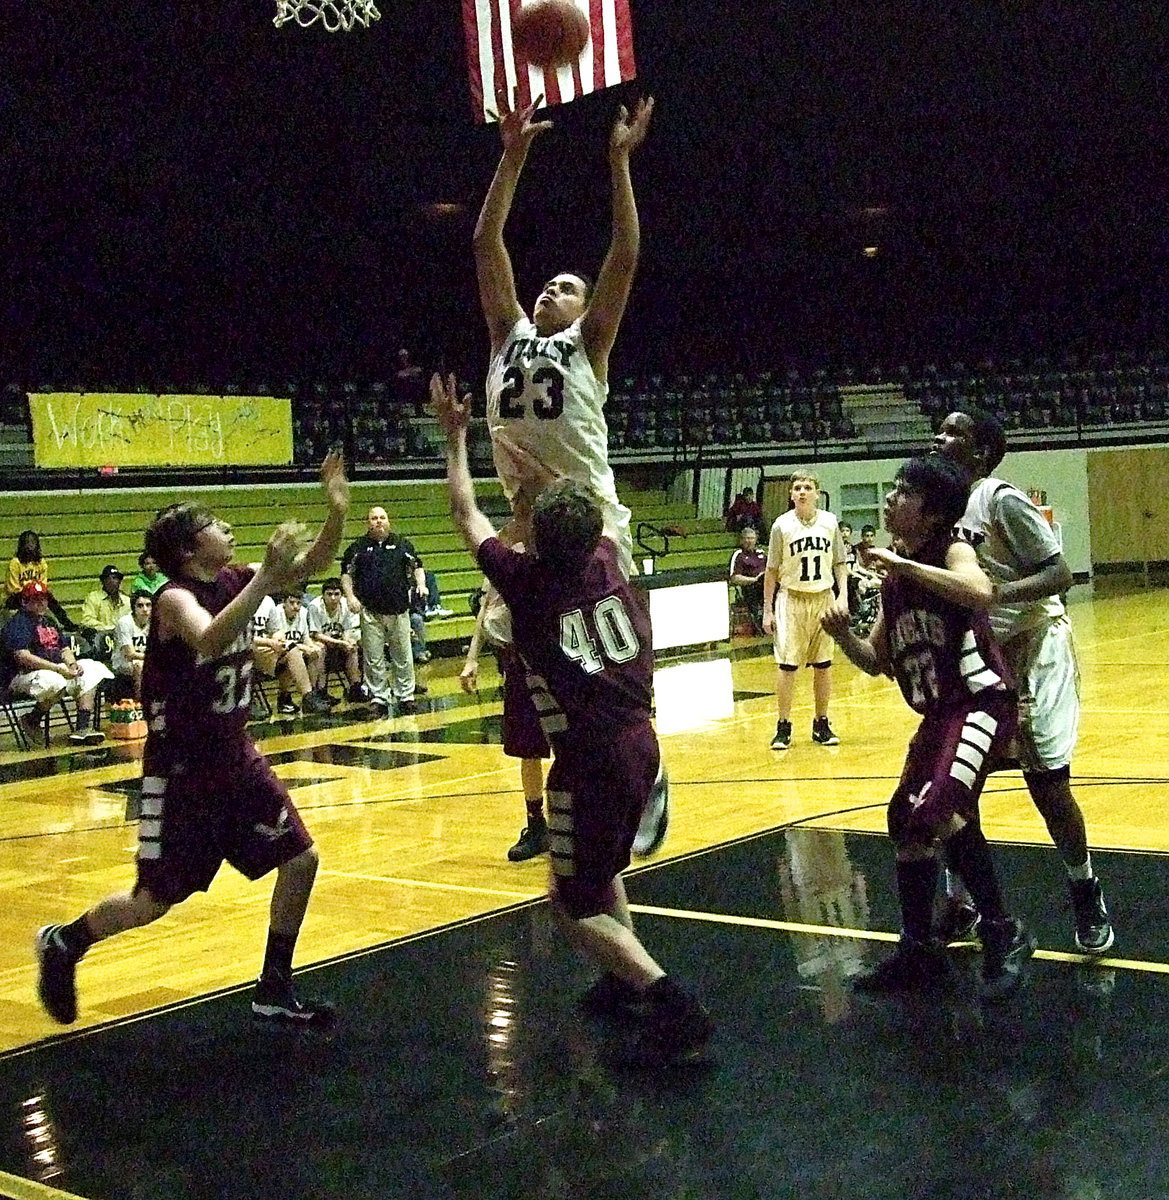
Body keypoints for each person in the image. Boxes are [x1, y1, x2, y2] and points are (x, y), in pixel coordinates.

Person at [434, 379, 712, 1065]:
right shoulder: (609, 560)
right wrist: (549, 478)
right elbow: (574, 508)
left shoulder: (526, 585)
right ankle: (623, 983)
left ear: (529, 534)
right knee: (603, 869)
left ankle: (668, 999)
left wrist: (454, 437)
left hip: (587, 758)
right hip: (643, 740)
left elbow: (465, 511)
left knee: (569, 899)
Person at [34, 452, 350, 1029]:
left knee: (301, 859)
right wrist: (263, 578)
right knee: (152, 902)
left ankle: (274, 986)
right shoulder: (173, 599)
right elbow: (209, 640)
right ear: (187, 550)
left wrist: (337, 510)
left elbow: (308, 566)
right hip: (181, 774)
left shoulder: (234, 579)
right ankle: (65, 942)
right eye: (213, 525)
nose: (227, 529)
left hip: (236, 758)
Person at [821, 455, 1036, 999]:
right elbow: (875, 660)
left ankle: (1004, 931)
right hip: (942, 714)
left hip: (981, 702)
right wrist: (844, 635)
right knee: (907, 821)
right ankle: (917, 949)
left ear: (934, 512)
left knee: (940, 809)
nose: (891, 499)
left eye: (902, 492)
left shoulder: (952, 550)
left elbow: (980, 592)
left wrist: (904, 565)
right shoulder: (896, 583)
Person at [932, 408, 1114, 954]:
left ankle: (1085, 889)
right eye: (938, 429)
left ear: (982, 451)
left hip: (1037, 646)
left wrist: (992, 597)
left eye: (952, 432)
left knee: (1046, 782)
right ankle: (961, 900)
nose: (939, 437)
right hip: (984, 653)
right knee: (959, 781)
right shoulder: (941, 506)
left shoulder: (1000, 498)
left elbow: (1059, 574)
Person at [474, 93, 655, 577]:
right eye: (549, 284)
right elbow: (486, 242)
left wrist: (619, 161)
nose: (552, 289)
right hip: (530, 521)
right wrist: (512, 158)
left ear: (585, 306)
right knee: (513, 646)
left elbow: (624, 251)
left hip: (589, 518)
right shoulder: (506, 334)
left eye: (568, 288)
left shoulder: (588, 340)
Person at [461, 489, 551, 863]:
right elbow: (487, 606)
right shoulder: (502, 545)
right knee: (526, 748)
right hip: (516, 657)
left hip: (553, 655)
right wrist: (471, 658)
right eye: (516, 503)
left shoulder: (552, 546)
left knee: (571, 744)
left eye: (526, 504)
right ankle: (537, 824)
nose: (519, 509)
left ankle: (584, 819)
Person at [762, 471, 849, 750]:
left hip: (823, 597)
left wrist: (843, 595)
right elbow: (771, 570)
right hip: (791, 599)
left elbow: (839, 563)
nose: (802, 492)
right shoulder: (781, 526)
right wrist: (767, 609)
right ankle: (783, 726)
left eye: (807, 487)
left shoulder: (830, 522)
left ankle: (821, 723)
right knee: (787, 665)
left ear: (817, 492)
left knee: (823, 665)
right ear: (791, 494)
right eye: (797, 487)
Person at [2, 580, 112, 746]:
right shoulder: (17, 623)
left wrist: (72, 664)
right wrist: (59, 670)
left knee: (92, 668)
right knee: (55, 680)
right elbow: (23, 657)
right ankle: (32, 719)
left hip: (54, 669)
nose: (41, 603)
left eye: (44, 599)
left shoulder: (49, 621)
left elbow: (63, 648)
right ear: (25, 601)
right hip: (22, 675)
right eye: (35, 599)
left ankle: (82, 728)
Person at [341, 506, 426, 717]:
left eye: (382, 517)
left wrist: (421, 584)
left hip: (398, 610)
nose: (378, 521)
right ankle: (379, 697)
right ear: (367, 523)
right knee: (373, 657)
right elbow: (346, 574)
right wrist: (350, 597)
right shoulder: (357, 548)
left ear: (388, 521)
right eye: (374, 518)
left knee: (403, 655)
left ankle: (406, 696)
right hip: (370, 612)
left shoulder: (402, 544)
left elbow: (417, 566)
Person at [264, 591, 331, 715]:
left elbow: (305, 637)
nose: (295, 606)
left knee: (318, 650)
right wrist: (304, 647)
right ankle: (284, 697)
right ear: (284, 603)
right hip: (277, 651)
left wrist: (311, 646)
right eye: (292, 603)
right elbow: (281, 641)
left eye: (298, 603)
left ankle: (313, 694)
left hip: (294, 648)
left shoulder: (303, 613)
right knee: (295, 654)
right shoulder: (276, 612)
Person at [306, 577, 366, 703]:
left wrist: (347, 642)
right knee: (320, 649)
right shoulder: (315, 606)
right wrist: (340, 642)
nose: (333, 598)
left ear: (341, 595)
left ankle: (354, 687)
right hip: (320, 640)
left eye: (336, 594)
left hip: (338, 639)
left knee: (352, 647)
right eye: (329, 594)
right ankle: (320, 690)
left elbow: (347, 630)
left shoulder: (346, 605)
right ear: (323, 595)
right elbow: (316, 634)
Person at [5, 530, 75, 629]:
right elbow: (13, 588)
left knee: (50, 598)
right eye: (27, 543)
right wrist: (28, 591)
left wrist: (36, 592)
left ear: (37, 545)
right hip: (17, 596)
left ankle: (66, 622)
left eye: (33, 542)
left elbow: (43, 584)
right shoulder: (15, 563)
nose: (30, 546)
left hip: (36, 593)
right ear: (22, 545)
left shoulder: (41, 563)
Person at [79, 565, 132, 661]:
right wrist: (108, 629)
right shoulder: (93, 597)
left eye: (116, 578)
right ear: (103, 581)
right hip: (102, 641)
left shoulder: (127, 600)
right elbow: (86, 620)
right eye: (109, 578)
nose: (113, 581)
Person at [111, 589, 152, 699]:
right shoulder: (125, 623)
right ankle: (141, 703)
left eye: (148, 605)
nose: (145, 609)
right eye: (140, 606)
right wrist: (153, 658)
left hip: (146, 659)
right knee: (139, 665)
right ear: (133, 608)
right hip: (123, 664)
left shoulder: (155, 622)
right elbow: (130, 654)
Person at [728, 525, 766, 632]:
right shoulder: (738, 555)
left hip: (766, 585)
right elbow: (734, 578)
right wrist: (754, 580)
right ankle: (759, 619)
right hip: (749, 587)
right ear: (742, 540)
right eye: (747, 538)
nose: (749, 541)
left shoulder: (762, 553)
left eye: (752, 538)